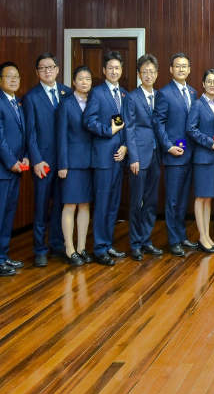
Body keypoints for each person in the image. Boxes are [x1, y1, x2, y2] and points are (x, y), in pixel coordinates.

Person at [23, 52, 70, 267]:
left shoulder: (67, 93)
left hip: (63, 161)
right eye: (42, 68)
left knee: (60, 204)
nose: (47, 71)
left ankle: (57, 245)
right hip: (43, 162)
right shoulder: (31, 97)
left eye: (50, 67)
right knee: (41, 206)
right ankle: (40, 249)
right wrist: (36, 160)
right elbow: (30, 133)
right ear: (37, 72)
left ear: (57, 69)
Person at [83, 51, 128, 266]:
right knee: (102, 204)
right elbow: (88, 121)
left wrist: (126, 147)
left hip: (119, 156)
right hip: (102, 158)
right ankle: (99, 248)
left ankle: (108, 243)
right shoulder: (97, 93)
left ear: (121, 70)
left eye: (117, 68)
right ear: (104, 70)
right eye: (110, 68)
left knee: (113, 203)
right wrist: (107, 130)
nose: (114, 71)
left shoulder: (125, 94)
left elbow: (128, 125)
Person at [154, 53, 198, 257]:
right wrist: (168, 146)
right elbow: (158, 123)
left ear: (189, 69)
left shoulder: (193, 92)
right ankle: (173, 240)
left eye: (184, 66)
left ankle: (181, 236)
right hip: (174, 154)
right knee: (172, 199)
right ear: (171, 69)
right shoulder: (164, 93)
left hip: (190, 154)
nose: (181, 69)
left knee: (183, 199)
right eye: (177, 66)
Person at [0, 62, 29, 276]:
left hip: (16, 167)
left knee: (8, 214)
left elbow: (23, 134)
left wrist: (25, 156)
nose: (14, 80)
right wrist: (11, 161)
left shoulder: (17, 102)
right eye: (9, 76)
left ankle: (3, 255)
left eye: (16, 76)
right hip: (2, 169)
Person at [125, 55, 164, 261]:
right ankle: (135, 244)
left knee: (151, 200)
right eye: (144, 72)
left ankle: (146, 240)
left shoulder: (160, 96)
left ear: (156, 74)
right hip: (139, 157)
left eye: (152, 72)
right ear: (139, 75)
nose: (148, 75)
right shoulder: (132, 97)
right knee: (136, 201)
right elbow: (129, 129)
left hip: (156, 154)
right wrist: (133, 157)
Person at [56, 65, 94, 266]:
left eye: (87, 79)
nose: (84, 82)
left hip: (90, 161)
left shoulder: (93, 101)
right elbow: (61, 136)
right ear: (73, 82)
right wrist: (62, 164)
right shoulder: (66, 104)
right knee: (70, 205)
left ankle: (81, 247)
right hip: (71, 163)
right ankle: (69, 249)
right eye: (80, 78)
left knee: (85, 205)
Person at [187, 69, 214, 253]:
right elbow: (191, 129)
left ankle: (207, 236)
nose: (212, 84)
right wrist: (209, 142)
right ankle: (202, 237)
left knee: (208, 199)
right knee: (201, 197)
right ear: (203, 84)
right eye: (209, 81)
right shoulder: (197, 104)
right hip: (202, 157)